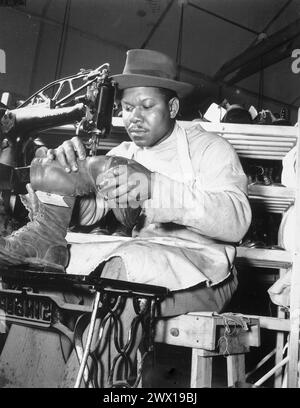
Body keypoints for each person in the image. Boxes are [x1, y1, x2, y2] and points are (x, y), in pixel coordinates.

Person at [0, 49, 252, 387]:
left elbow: (237, 220)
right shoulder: (122, 154)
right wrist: (60, 182)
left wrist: (154, 187)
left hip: (207, 269)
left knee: (121, 273)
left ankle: (92, 384)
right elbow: (93, 212)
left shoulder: (210, 149)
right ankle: (20, 379)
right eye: (127, 108)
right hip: (145, 258)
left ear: (172, 108)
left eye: (147, 107)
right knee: (50, 273)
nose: (134, 117)